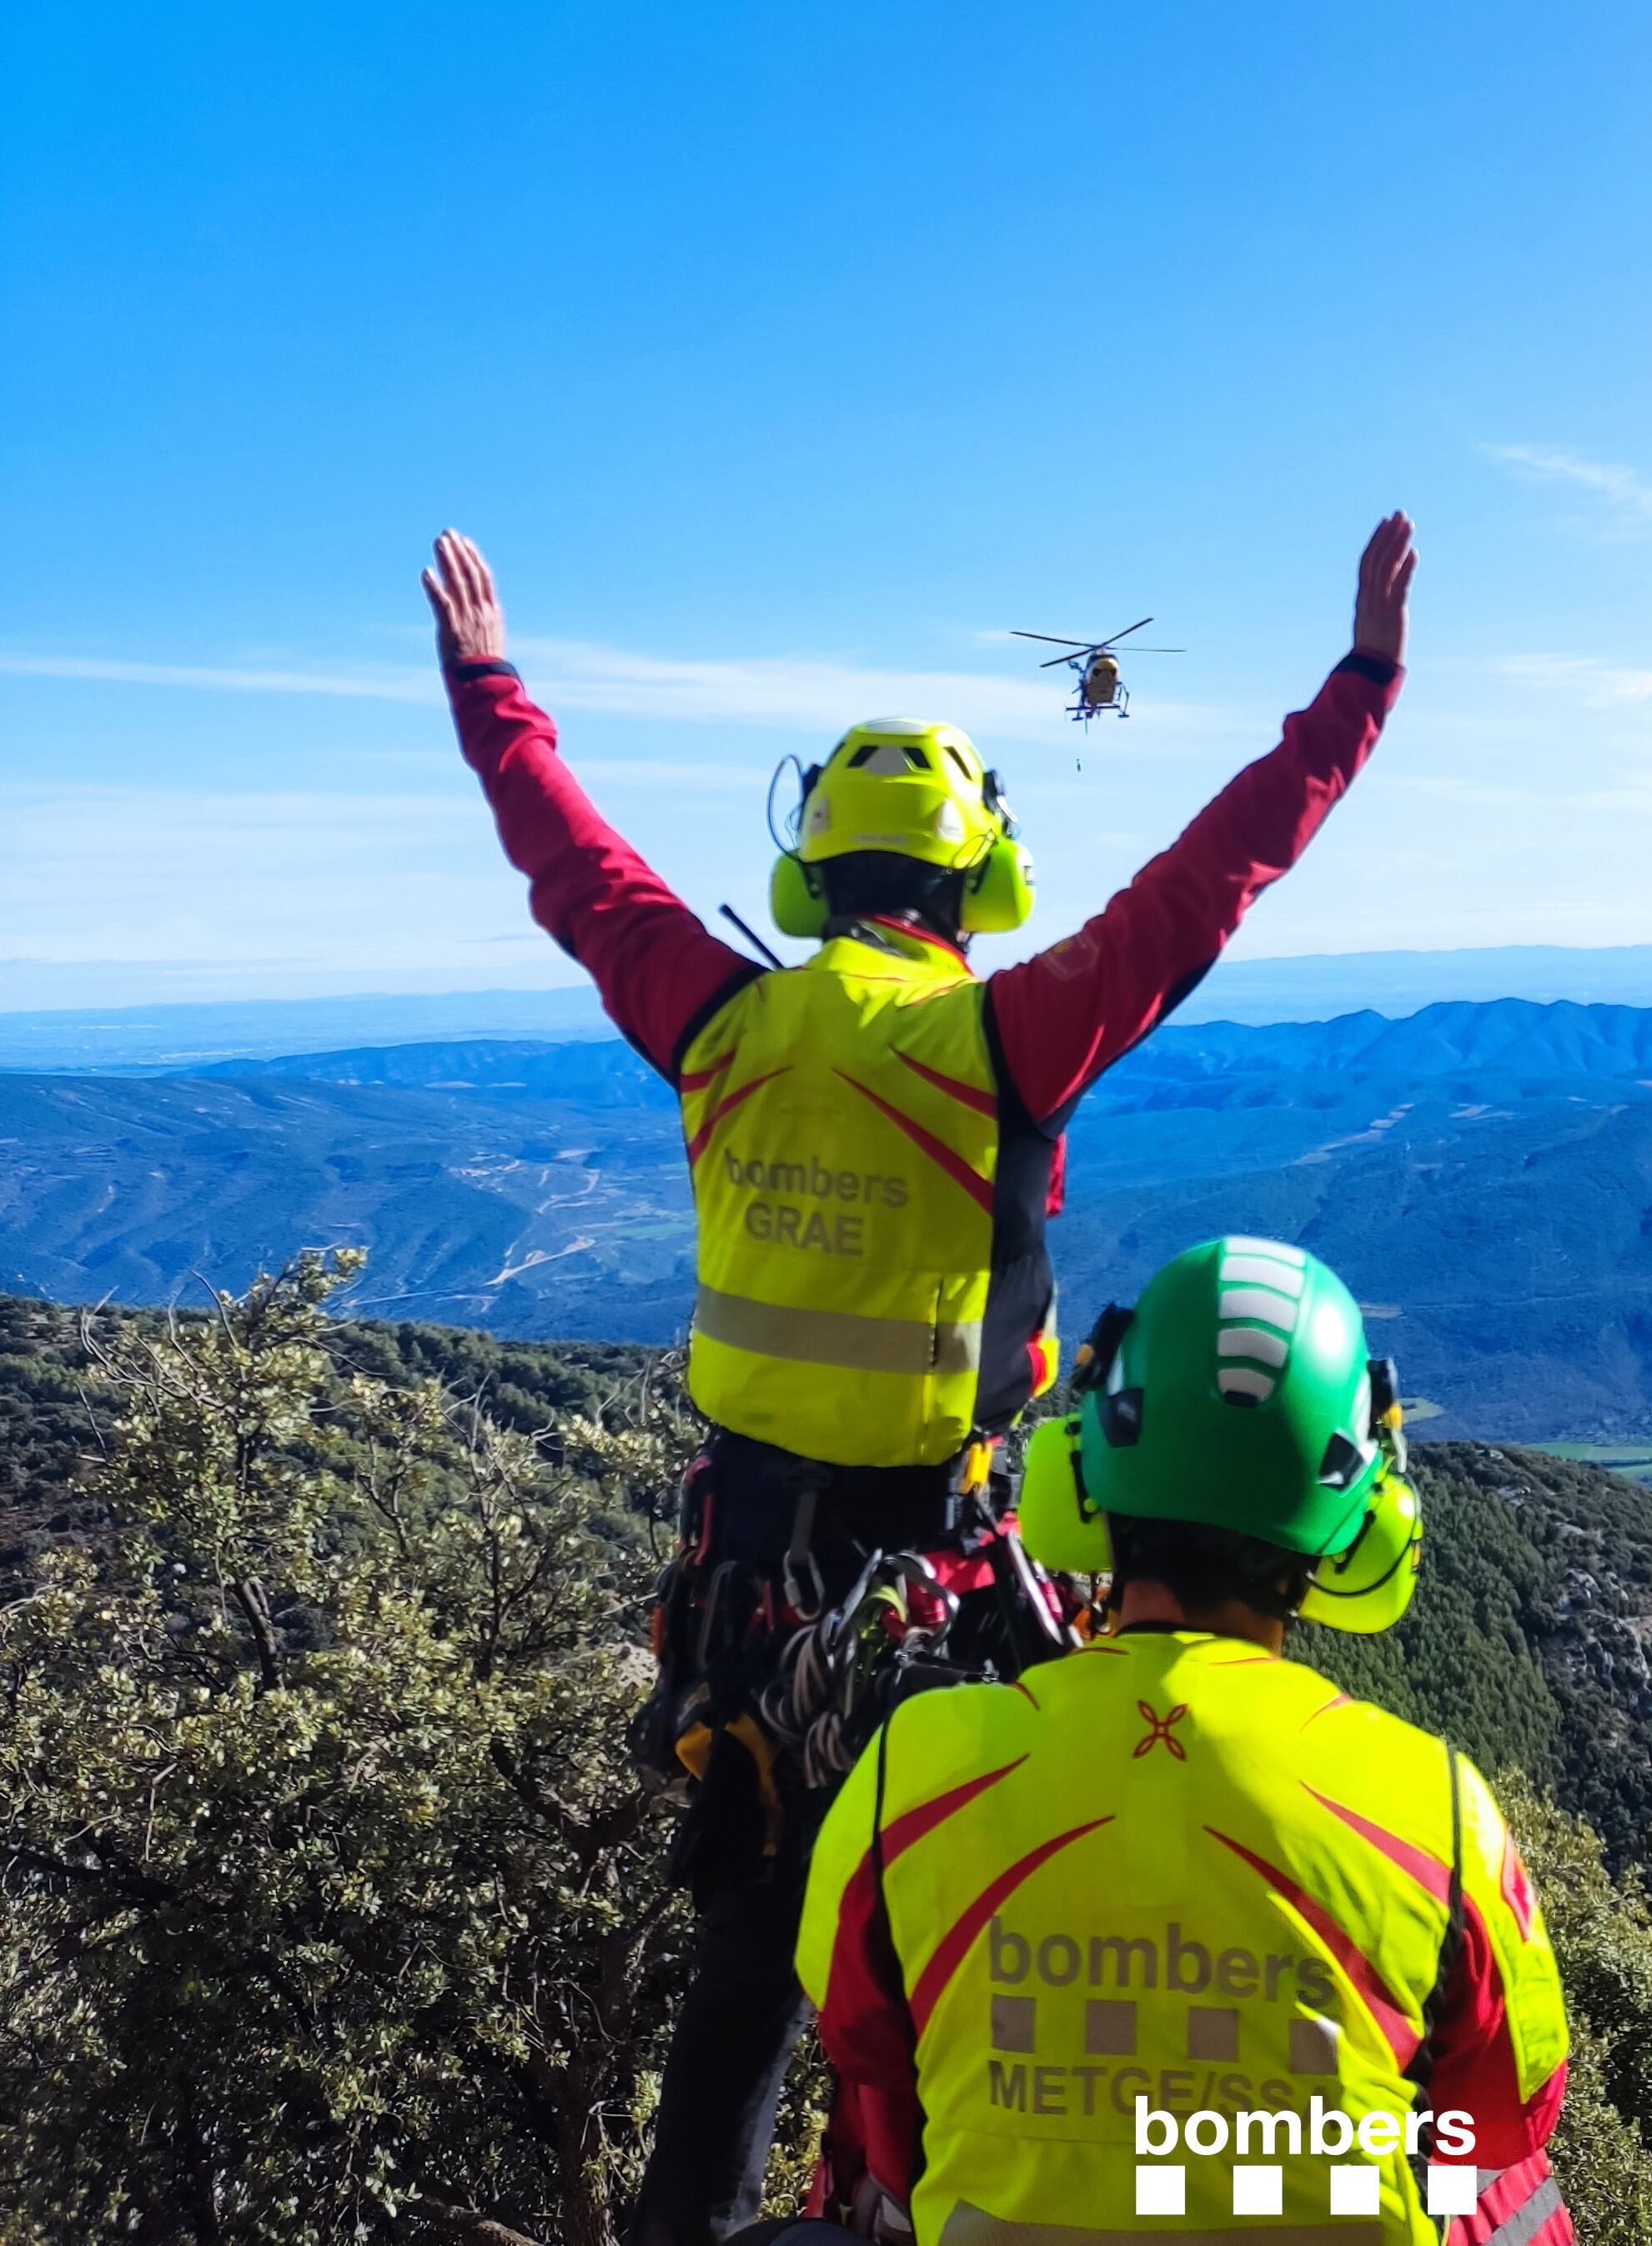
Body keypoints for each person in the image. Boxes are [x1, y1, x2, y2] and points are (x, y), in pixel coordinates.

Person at [421, 520, 1417, 2246]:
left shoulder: (718, 1019)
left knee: (747, 1972)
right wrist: (1359, 690)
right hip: (944, 1588)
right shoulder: (1005, 1038)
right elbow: (1208, 881)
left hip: (742, 1587)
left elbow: (575, 866)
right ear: (972, 884)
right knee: (996, 1918)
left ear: (820, 873)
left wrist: (493, 688)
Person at [791, 1238, 1573, 2246]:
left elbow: (860, 2042)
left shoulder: (917, 1766)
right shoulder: (1438, 1807)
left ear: (1091, 1461)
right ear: (1357, 1503)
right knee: (1503, 2199)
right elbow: (1511, 2107)